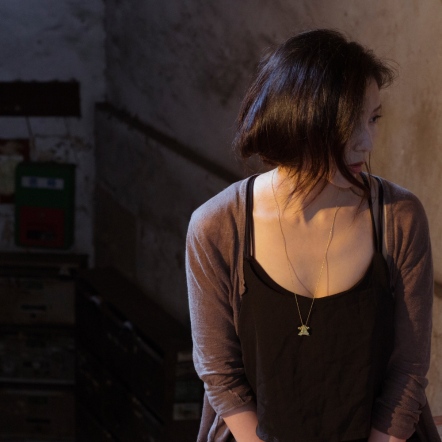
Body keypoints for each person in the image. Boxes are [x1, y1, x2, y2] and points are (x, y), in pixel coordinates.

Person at [186, 29, 438, 442]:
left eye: (373, 118)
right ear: (300, 121)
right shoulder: (217, 226)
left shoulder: (399, 216)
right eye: (349, 123)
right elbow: (220, 375)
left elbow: (408, 371)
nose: (367, 142)